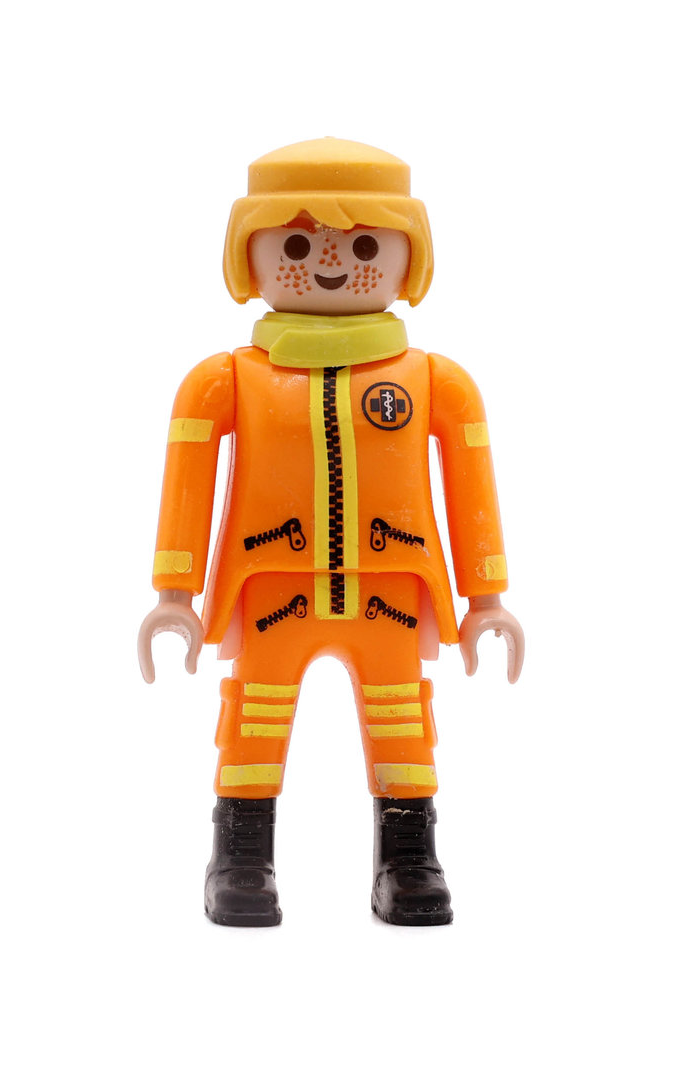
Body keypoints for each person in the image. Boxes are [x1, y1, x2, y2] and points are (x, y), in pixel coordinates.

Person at [138, 137, 524, 926]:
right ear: (246, 253)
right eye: (295, 246)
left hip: (392, 593)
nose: (330, 264)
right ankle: (241, 858)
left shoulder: (437, 382)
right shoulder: (224, 381)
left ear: (411, 257)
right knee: (254, 720)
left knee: (402, 723)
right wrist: (174, 592)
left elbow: (471, 485)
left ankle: (408, 858)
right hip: (269, 589)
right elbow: (188, 481)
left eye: (365, 246)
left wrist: (486, 597)